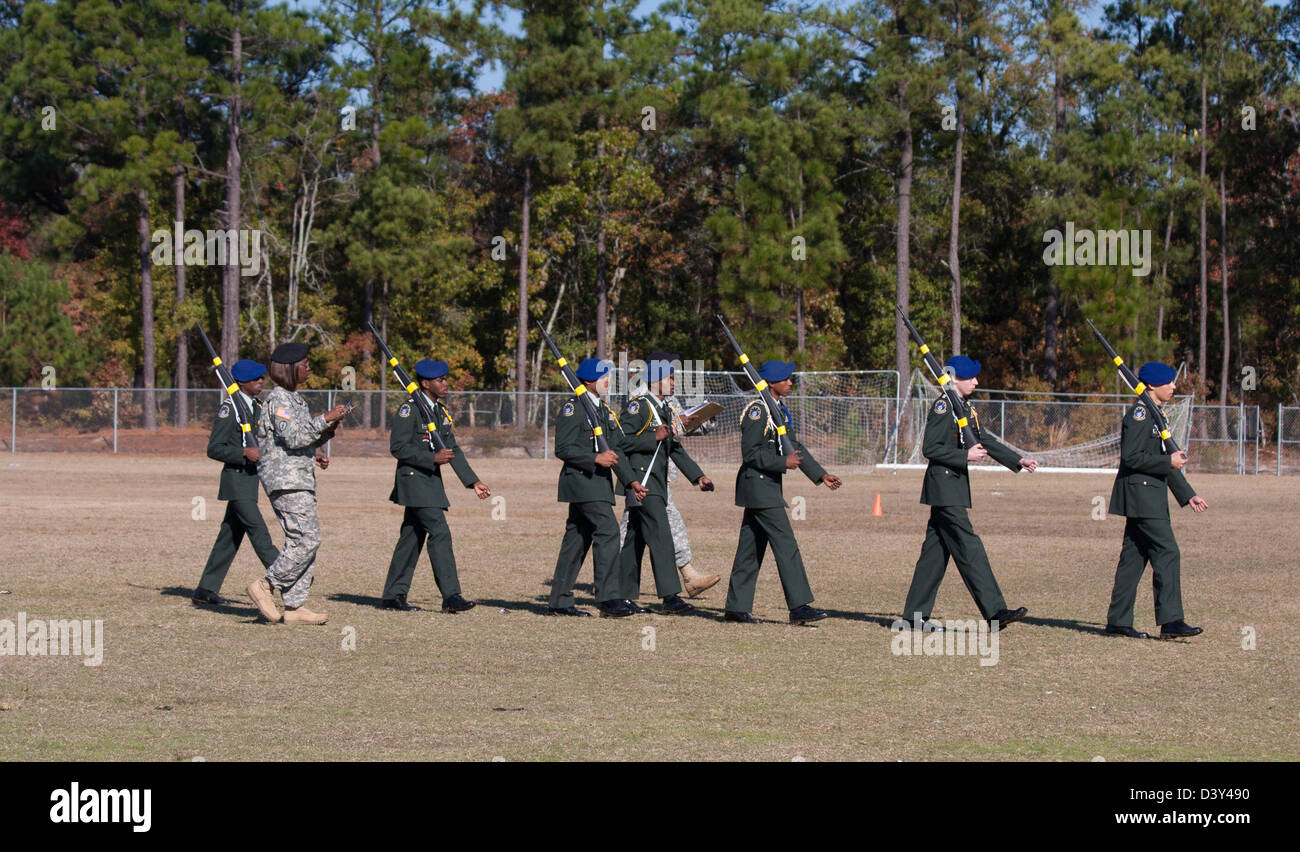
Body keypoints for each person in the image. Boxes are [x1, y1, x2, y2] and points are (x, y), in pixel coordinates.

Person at [900, 355, 1037, 632]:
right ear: (953, 379)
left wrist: (1016, 460)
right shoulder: (943, 406)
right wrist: (965, 456)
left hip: (952, 487)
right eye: (969, 377)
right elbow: (930, 449)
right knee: (969, 547)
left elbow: (984, 439)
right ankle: (995, 611)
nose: (976, 381)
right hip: (944, 487)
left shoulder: (963, 406)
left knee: (934, 556)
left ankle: (914, 618)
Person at [723, 359, 842, 625]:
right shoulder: (758, 410)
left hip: (766, 487)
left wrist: (820, 474)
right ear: (772, 383)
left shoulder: (778, 409)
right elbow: (750, 453)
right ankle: (799, 607)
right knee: (786, 545)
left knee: (750, 549)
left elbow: (793, 444)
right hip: (758, 486)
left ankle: (736, 608)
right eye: (786, 379)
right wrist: (782, 463)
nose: (791, 383)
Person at [246, 342, 349, 625]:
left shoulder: (295, 400)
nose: (309, 368)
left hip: (299, 478)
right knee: (308, 538)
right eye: (304, 364)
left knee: (300, 539)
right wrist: (323, 418)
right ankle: (265, 586)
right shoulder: (279, 400)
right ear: (290, 369)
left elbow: (304, 437)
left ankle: (294, 607)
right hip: (286, 480)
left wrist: (328, 428)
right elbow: (292, 436)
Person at [1104, 362, 1207, 640]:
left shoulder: (1156, 413)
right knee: (1168, 552)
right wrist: (1168, 461)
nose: (1174, 387)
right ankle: (1172, 620)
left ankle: (1118, 621)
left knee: (1133, 560)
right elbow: (1132, 457)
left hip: (1147, 496)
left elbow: (1167, 464)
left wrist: (1188, 493)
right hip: (1143, 496)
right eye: (1169, 383)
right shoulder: (1140, 414)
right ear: (1152, 386)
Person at [380, 359, 490, 613]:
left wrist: (472, 481)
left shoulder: (438, 412)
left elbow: (452, 450)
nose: (445, 384)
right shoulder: (410, 410)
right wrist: (431, 458)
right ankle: (451, 596)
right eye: (440, 380)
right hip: (414, 481)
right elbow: (398, 447)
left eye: (445, 379)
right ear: (426, 383)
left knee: (411, 537)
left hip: (429, 483)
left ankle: (392, 595)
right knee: (440, 532)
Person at [547, 358, 648, 618]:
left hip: (598, 484)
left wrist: (631, 481)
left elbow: (616, 450)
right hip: (582, 482)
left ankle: (559, 600)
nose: (609, 383)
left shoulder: (603, 410)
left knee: (577, 540)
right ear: (590, 381)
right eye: (605, 378)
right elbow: (564, 448)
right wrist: (594, 459)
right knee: (608, 531)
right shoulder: (574, 408)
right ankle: (609, 598)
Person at [616, 355, 715, 614]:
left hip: (656, 481)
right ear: (654, 380)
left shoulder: (664, 408)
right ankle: (671, 598)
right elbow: (619, 442)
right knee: (661, 537)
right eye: (670, 378)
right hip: (642, 482)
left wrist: (698, 476)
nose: (674, 383)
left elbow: (674, 448)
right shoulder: (639, 407)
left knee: (633, 541)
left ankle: (622, 596)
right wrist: (652, 436)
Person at [192, 359, 279, 606]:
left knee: (228, 539)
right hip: (236, 482)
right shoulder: (230, 409)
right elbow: (214, 448)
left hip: (251, 482)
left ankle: (205, 589)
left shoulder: (257, 407)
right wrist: (242, 453)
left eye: (261, 378)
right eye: (255, 379)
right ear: (241, 383)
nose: (260, 382)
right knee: (259, 533)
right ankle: (288, 577)